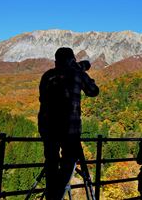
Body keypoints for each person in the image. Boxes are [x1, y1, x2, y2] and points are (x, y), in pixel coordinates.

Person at [38, 47, 99, 199]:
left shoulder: (47, 75)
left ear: (56, 60)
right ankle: (57, 195)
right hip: (70, 128)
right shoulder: (78, 74)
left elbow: (42, 98)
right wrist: (84, 74)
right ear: (72, 60)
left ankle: (51, 195)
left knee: (51, 161)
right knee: (69, 160)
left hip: (47, 126)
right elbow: (93, 91)